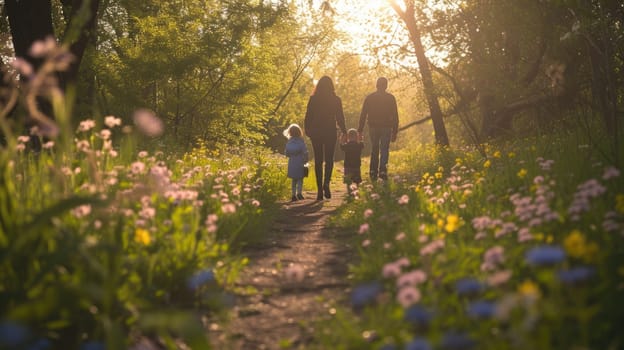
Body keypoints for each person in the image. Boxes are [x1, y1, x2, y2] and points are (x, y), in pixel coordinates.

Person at [304, 76, 347, 200]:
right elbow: (340, 117)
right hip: (330, 131)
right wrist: (344, 131)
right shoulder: (336, 100)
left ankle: (319, 190)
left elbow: (308, 115)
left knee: (318, 160)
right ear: (331, 86)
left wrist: (307, 129)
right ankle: (326, 184)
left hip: (316, 131)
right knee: (329, 159)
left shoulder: (313, 99)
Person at [357, 77, 399, 181]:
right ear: (386, 85)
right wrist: (395, 131)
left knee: (374, 149)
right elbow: (395, 116)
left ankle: (373, 172)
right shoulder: (391, 98)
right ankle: (383, 171)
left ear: (377, 85)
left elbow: (363, 114)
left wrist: (360, 130)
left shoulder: (370, 98)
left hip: (373, 127)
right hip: (386, 127)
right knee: (384, 149)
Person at [284, 123, 308, 201]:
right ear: (299, 132)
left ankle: (293, 195)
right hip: (300, 161)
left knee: (294, 179)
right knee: (300, 179)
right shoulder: (301, 141)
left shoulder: (289, 142)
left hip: (292, 162)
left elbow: (286, 153)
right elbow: (305, 151)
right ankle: (299, 193)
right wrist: (306, 160)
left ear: (290, 132)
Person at [340, 128, 364, 195]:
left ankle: (349, 193)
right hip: (356, 166)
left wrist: (342, 138)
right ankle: (357, 193)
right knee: (357, 182)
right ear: (356, 137)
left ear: (348, 137)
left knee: (348, 182)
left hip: (348, 166)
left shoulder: (347, 146)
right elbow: (362, 143)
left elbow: (341, 145)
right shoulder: (359, 145)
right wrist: (360, 138)